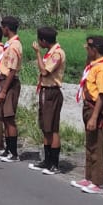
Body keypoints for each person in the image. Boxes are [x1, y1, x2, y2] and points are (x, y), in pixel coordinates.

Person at [71, 35, 103, 195]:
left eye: (88, 49)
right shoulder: (94, 65)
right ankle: (89, 177)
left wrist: (94, 117)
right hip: (88, 106)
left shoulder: (102, 69)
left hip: (96, 108)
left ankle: (98, 182)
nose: (86, 51)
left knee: (97, 145)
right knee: (90, 143)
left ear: (95, 50)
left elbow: (101, 95)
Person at [31, 26, 67, 174]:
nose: (39, 43)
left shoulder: (57, 54)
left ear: (44, 40)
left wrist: (38, 53)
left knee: (53, 128)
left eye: (40, 41)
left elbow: (45, 71)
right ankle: (47, 161)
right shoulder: (50, 52)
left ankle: (54, 163)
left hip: (52, 91)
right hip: (45, 91)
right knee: (45, 127)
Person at [0, 16, 23, 161]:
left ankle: (13, 152)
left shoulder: (15, 46)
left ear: (7, 28)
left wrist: (4, 90)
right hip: (4, 81)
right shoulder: (8, 44)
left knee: (9, 118)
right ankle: (7, 149)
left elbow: (12, 70)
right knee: (4, 117)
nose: (2, 30)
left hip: (9, 83)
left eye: (3, 27)